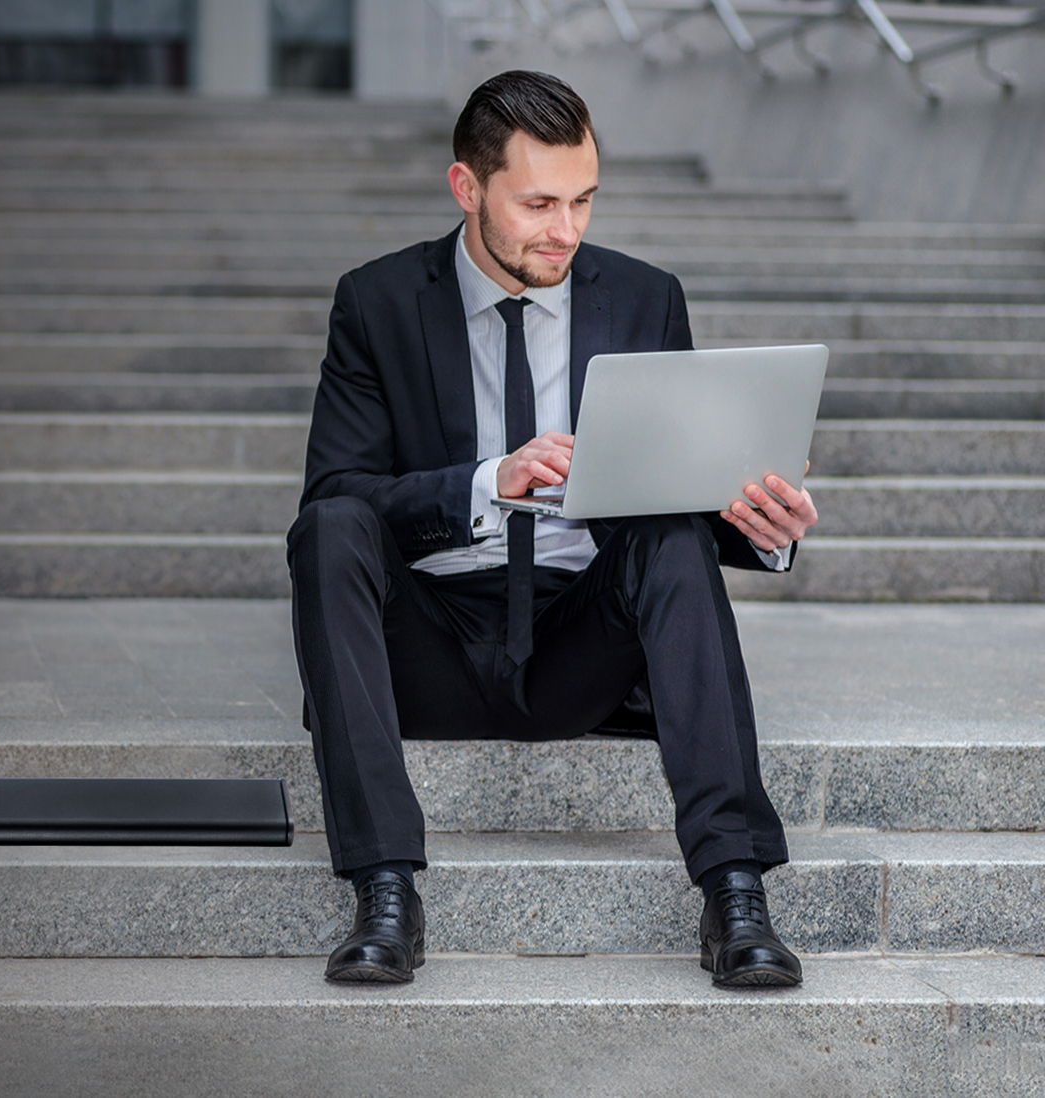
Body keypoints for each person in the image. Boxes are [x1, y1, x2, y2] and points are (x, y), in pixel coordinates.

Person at [287, 70, 817, 989]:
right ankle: (383, 888)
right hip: (429, 644)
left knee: (674, 539)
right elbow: (339, 494)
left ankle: (735, 891)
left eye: (582, 201)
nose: (564, 231)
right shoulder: (375, 304)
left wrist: (763, 528)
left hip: (583, 648)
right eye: (537, 203)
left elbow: (681, 491)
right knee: (330, 528)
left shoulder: (646, 298)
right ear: (467, 188)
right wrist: (492, 480)